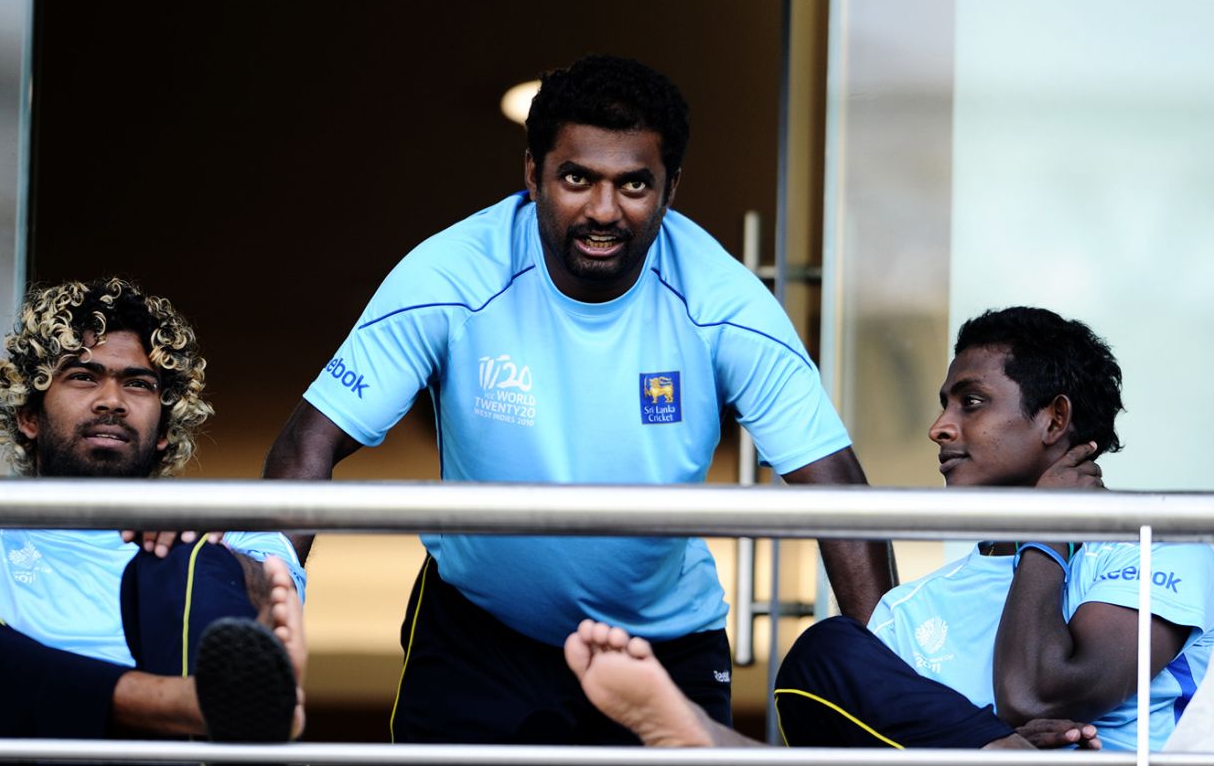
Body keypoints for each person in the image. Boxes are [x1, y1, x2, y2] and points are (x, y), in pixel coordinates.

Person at [263, 54, 895, 743]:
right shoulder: (452, 274)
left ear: (671, 188)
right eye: (576, 178)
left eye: (633, 184)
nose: (602, 210)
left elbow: (841, 499)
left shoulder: (725, 304)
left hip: (662, 649)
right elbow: (312, 441)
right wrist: (264, 617)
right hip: (478, 636)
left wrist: (895, 695)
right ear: (532, 174)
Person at [565, 306, 1214, 751]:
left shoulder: (1151, 537)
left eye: (971, 401)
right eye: (943, 405)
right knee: (822, 654)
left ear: (1054, 419)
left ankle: (710, 745)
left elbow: (1038, 690)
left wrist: (1046, 532)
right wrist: (989, 741)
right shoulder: (909, 611)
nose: (940, 427)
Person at [0, 277, 308, 741]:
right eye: (83, 376)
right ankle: (184, 705)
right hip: (7, 749)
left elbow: (272, 605)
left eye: (137, 384)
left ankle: (194, 711)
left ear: (165, 427)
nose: (111, 401)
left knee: (188, 562)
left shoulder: (228, 532)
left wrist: (204, 547)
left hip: (164, 756)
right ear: (29, 416)